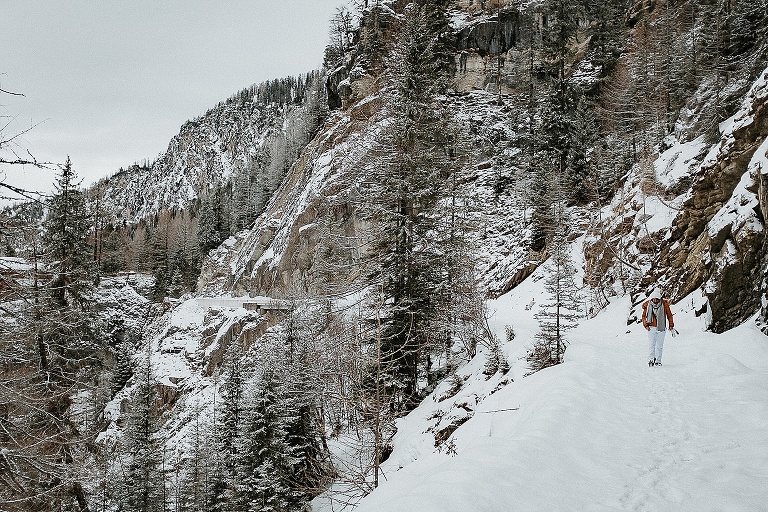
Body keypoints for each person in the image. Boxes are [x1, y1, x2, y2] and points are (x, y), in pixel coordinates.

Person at [641, 288, 674, 367]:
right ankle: (651, 360)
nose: (655, 300)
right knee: (651, 345)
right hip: (651, 328)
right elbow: (644, 316)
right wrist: (645, 325)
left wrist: (671, 325)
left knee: (659, 346)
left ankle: (658, 361)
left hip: (661, 328)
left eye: (657, 299)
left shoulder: (664, 304)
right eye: (654, 299)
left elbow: (669, 315)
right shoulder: (648, 305)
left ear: (659, 298)